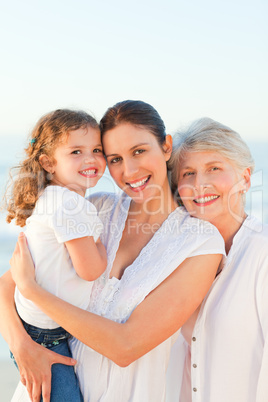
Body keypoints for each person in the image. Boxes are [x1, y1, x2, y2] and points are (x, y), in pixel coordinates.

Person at [1, 101, 225, 402]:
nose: (129, 171)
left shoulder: (200, 242)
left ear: (166, 146)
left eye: (139, 151)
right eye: (115, 158)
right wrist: (21, 346)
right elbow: (6, 285)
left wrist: (34, 291)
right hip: (47, 386)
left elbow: (126, 347)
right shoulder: (95, 209)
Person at [4, 109, 107, 401]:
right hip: (46, 336)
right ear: (49, 163)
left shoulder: (50, 198)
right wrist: (101, 245)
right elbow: (90, 270)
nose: (90, 159)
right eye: (76, 151)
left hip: (35, 326)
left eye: (96, 150)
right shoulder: (71, 205)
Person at [165, 117, 268, 401]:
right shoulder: (172, 255)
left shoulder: (262, 254)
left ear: (245, 178)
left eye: (214, 168)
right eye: (188, 173)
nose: (200, 184)